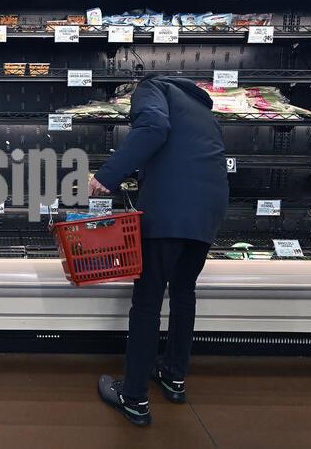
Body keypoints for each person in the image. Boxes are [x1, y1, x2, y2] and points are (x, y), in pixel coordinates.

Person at [89, 76, 228, 426]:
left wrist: (108, 175)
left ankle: (133, 396)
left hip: (168, 208)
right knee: (183, 293)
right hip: (209, 210)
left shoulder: (151, 86)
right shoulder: (201, 107)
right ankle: (173, 376)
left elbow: (153, 127)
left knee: (148, 300)